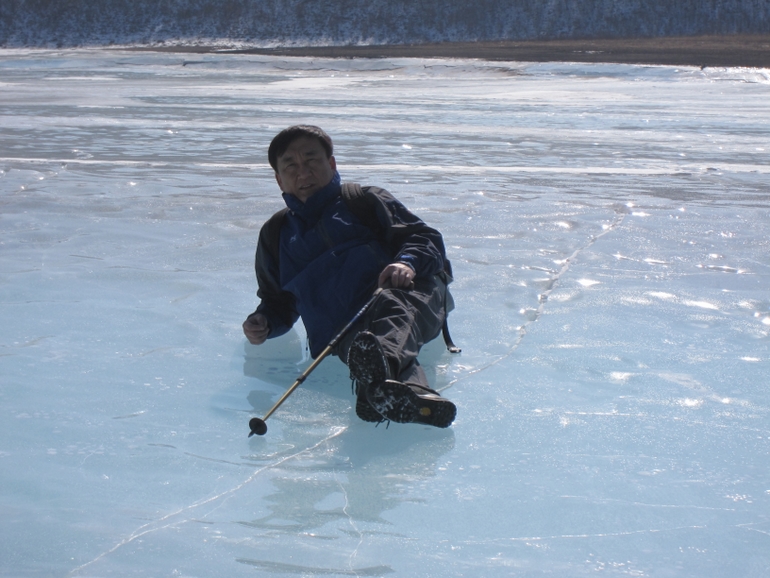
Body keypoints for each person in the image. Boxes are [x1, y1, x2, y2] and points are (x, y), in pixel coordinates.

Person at [243, 125, 457, 428]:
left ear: (331, 164)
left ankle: (378, 383)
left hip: (406, 297)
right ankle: (413, 398)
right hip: (345, 330)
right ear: (279, 179)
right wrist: (264, 321)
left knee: (391, 310)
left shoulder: (363, 201)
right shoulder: (275, 234)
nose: (303, 172)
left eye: (311, 160)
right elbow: (277, 301)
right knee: (363, 346)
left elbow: (425, 239)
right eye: (290, 166)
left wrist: (406, 262)